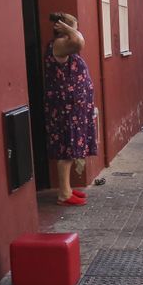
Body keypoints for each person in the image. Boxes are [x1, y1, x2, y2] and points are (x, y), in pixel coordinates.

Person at [43, 12, 97, 205]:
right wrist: (68, 29)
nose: (77, 31)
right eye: (73, 27)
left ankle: (67, 189)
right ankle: (64, 194)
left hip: (73, 107)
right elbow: (79, 42)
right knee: (66, 148)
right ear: (62, 29)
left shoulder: (66, 45)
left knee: (71, 147)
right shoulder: (60, 45)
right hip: (65, 107)